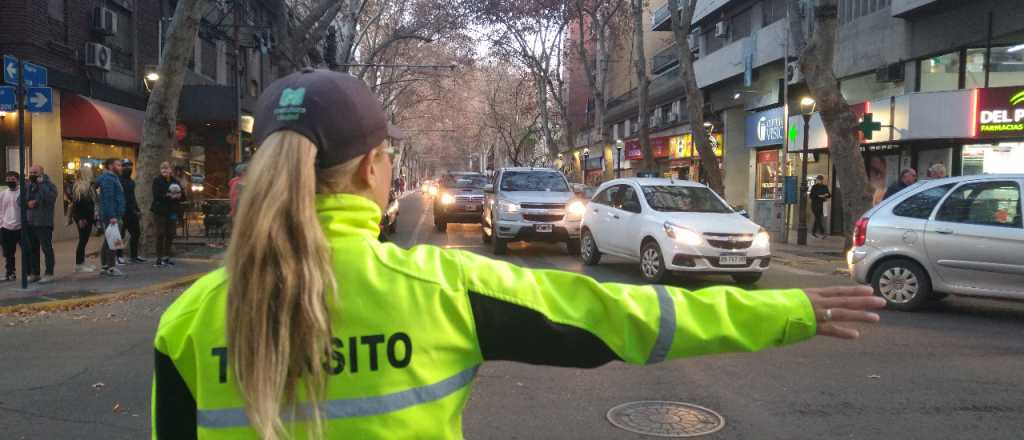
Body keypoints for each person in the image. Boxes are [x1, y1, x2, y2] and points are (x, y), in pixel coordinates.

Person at [151, 69, 885, 439]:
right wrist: (787, 312)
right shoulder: (439, 287)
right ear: (377, 169)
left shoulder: (187, 323)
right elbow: (625, 316)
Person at [26, 165, 58, 284]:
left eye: (35, 172)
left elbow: (50, 198)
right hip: (30, 222)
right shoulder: (28, 185)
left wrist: (41, 184)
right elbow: (20, 200)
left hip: (44, 222)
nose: (32, 174)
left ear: (41, 173)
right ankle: (35, 273)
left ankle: (49, 273)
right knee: (33, 249)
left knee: (46, 248)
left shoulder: (49, 185)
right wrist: (28, 203)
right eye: (31, 172)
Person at [96, 159, 127, 277]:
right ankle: (111, 267)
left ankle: (105, 266)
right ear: (110, 166)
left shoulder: (113, 178)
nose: (121, 167)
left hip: (112, 214)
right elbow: (109, 198)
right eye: (118, 165)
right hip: (111, 216)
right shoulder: (108, 179)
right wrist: (113, 216)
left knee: (108, 240)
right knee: (112, 241)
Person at [152, 161, 185, 267]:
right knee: (160, 234)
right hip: (160, 211)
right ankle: (159, 258)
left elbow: (183, 195)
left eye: (167, 168)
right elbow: (156, 195)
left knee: (170, 234)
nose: (165, 170)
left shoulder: (175, 181)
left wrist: (180, 196)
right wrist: (169, 195)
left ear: (171, 170)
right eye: (163, 168)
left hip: (172, 211)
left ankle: (167, 257)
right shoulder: (157, 180)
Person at [70, 166, 98, 273]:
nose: (92, 174)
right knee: (83, 240)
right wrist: (81, 218)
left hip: (86, 217)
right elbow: (78, 204)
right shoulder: (81, 187)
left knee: (84, 240)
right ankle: (79, 264)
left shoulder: (87, 186)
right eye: (90, 172)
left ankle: (81, 263)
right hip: (83, 218)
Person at [117, 160, 146, 264]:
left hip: (131, 212)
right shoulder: (118, 181)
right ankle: (119, 256)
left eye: (130, 166)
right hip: (121, 212)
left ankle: (134, 256)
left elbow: (132, 197)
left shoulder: (131, 181)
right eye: (125, 166)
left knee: (136, 233)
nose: (128, 168)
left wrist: (137, 209)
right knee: (120, 235)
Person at [0, 172, 21, 281]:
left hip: (21, 228)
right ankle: (10, 273)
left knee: (27, 251)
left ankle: (30, 273)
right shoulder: (3, 194)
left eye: (12, 179)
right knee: (8, 253)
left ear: (17, 180)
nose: (10, 181)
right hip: (6, 227)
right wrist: (1, 224)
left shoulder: (23, 192)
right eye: (8, 179)